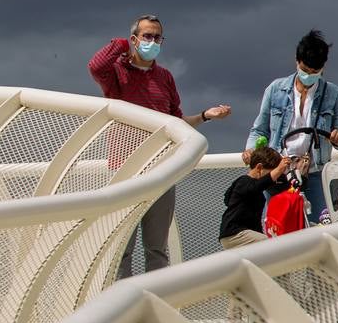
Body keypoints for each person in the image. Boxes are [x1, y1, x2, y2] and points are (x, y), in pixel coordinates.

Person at [89, 14, 232, 278]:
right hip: (126, 171)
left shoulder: (164, 77)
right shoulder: (118, 73)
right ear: (135, 39)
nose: (153, 42)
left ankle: (154, 308)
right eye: (147, 36)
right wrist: (122, 45)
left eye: (157, 37)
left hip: (161, 170)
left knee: (157, 249)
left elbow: (177, 123)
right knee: (123, 248)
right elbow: (96, 67)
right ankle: (124, 310)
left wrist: (205, 116)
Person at [244, 30, 338, 224]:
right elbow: (259, 130)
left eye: (315, 72)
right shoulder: (275, 89)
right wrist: (250, 150)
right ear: (297, 61)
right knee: (280, 229)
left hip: (314, 173)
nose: (309, 75)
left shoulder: (334, 94)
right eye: (305, 70)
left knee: (319, 229)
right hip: (278, 173)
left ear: (323, 68)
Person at [219, 146, 290, 249]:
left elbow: (281, 185)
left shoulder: (253, 188)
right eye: (272, 173)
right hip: (235, 233)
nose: (275, 178)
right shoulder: (244, 182)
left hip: (243, 234)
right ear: (259, 168)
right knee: (272, 245)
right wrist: (279, 169)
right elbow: (259, 185)